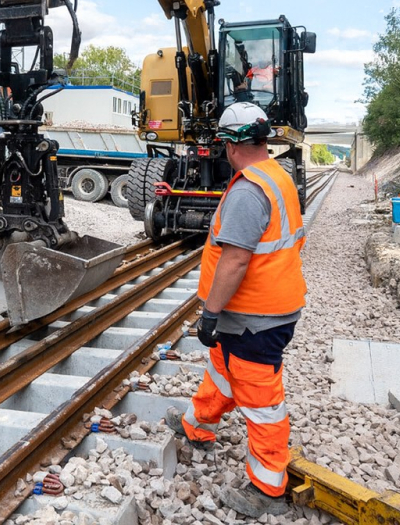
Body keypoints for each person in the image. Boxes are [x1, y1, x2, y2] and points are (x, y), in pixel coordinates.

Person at [165, 101, 306, 518]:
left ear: (229, 144)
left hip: (255, 317)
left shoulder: (247, 190)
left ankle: (267, 487)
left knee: (261, 401)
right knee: (222, 370)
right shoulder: (276, 175)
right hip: (259, 309)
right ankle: (198, 427)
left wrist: (210, 312)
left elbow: (236, 260)